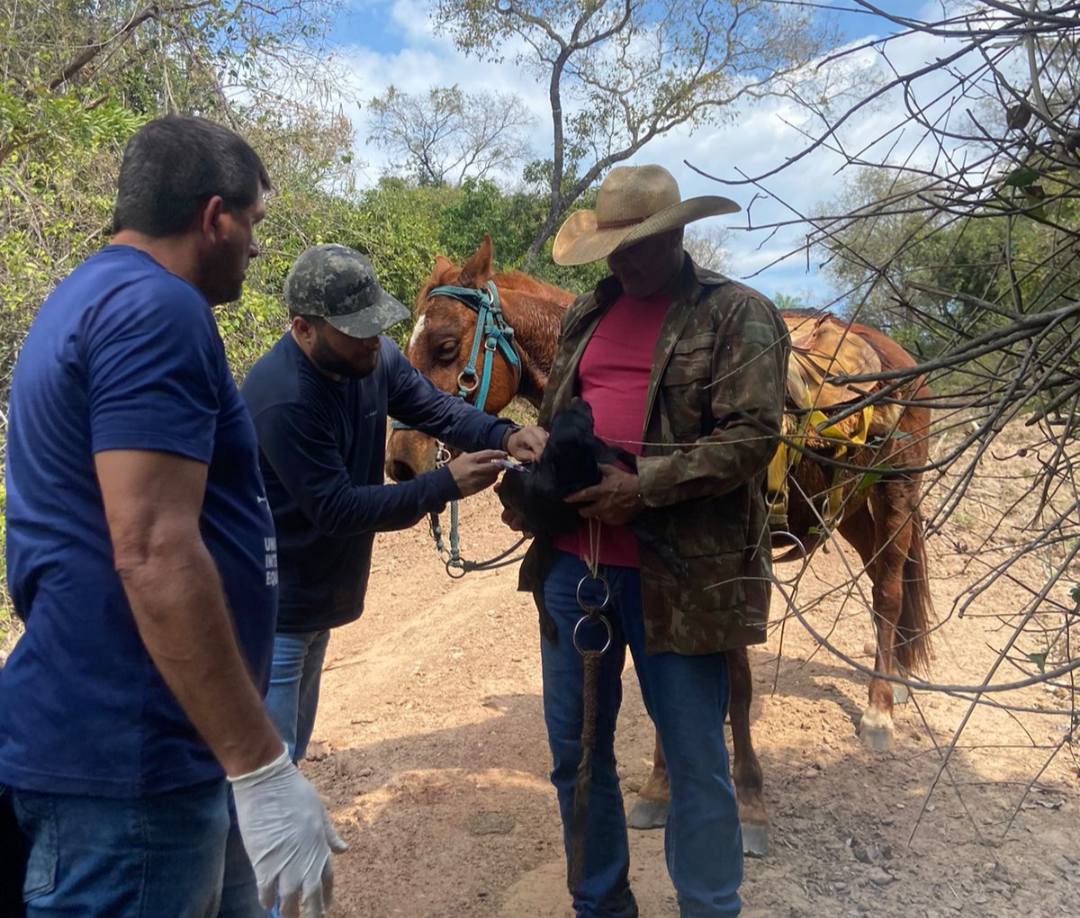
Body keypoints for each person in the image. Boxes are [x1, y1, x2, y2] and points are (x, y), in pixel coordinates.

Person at [0, 116, 343, 917]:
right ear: (213, 216)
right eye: (254, 224)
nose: (259, 248)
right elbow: (152, 547)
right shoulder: (158, 310)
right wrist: (263, 766)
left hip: (153, 747)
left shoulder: (86, 296)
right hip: (131, 762)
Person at [509, 164, 790, 916]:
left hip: (681, 579)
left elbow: (754, 436)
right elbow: (570, 406)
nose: (619, 261)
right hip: (576, 565)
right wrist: (542, 442)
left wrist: (645, 488)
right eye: (611, 247)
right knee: (576, 758)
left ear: (675, 234)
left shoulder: (738, 315)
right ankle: (600, 905)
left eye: (634, 246)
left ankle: (709, 905)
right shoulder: (586, 316)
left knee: (697, 761)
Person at [240, 243, 547, 765]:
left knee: (287, 759)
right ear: (305, 328)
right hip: (274, 609)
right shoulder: (284, 397)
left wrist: (505, 432)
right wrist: (445, 484)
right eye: (355, 330)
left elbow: (437, 409)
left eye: (374, 326)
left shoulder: (371, 359)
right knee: (263, 775)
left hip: (317, 601)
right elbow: (338, 509)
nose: (371, 342)